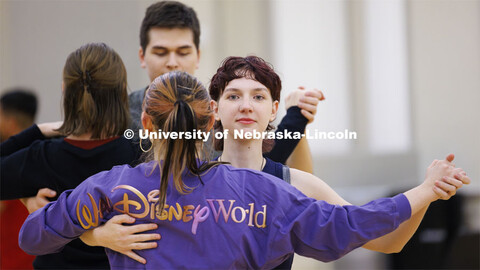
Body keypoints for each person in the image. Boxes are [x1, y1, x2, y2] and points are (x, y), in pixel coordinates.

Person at [19, 71, 470, 269]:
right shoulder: (261, 193)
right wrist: (425, 191)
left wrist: (88, 229)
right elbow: (350, 226)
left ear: (146, 124)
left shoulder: (107, 189)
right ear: (212, 118)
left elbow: (33, 236)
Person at [0, 43, 140, 269]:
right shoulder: (138, 154)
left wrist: (38, 130)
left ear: (65, 90)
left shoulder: (43, 156)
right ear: (122, 90)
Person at [0, 89, 38, 269]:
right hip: (36, 257)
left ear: (10, 122)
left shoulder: (8, 159)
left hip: (10, 259)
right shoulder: (45, 152)